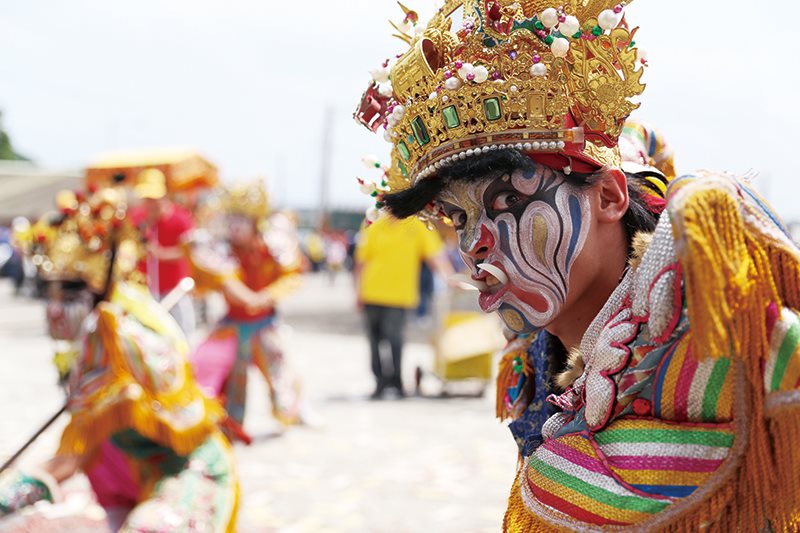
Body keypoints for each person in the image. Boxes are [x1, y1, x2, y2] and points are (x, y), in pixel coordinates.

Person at [355, 1, 800, 530]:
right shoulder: (540, 354)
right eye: (457, 216)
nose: (473, 243)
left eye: (505, 203)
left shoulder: (722, 329)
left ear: (610, 199)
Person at [0, 188, 238, 531]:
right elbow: (72, 456)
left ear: (98, 292)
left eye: (69, 292)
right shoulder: (88, 345)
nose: (54, 308)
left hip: (191, 468)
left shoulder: (126, 343)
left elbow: (70, 460)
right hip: (133, 472)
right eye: (46, 292)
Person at [188, 182, 304, 440]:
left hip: (264, 323)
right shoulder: (222, 249)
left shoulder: (272, 246)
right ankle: (231, 424)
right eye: (232, 220)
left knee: (278, 374)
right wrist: (251, 298)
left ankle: (290, 412)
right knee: (234, 380)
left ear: (255, 223)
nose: (235, 226)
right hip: (234, 324)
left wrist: (266, 297)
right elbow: (225, 279)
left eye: (241, 220)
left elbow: (291, 275)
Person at [355, 211, 453, 398]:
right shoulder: (372, 222)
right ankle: (380, 383)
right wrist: (358, 292)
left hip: (400, 295)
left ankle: (397, 382)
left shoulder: (416, 225)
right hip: (371, 292)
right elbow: (361, 261)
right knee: (374, 341)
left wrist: (449, 277)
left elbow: (435, 255)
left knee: (395, 341)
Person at [129, 168, 196, 338]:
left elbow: (189, 252)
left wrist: (161, 254)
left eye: (153, 199)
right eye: (147, 199)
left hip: (174, 292)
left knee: (182, 337)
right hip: (145, 292)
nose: (150, 203)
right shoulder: (136, 219)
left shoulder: (180, 218)